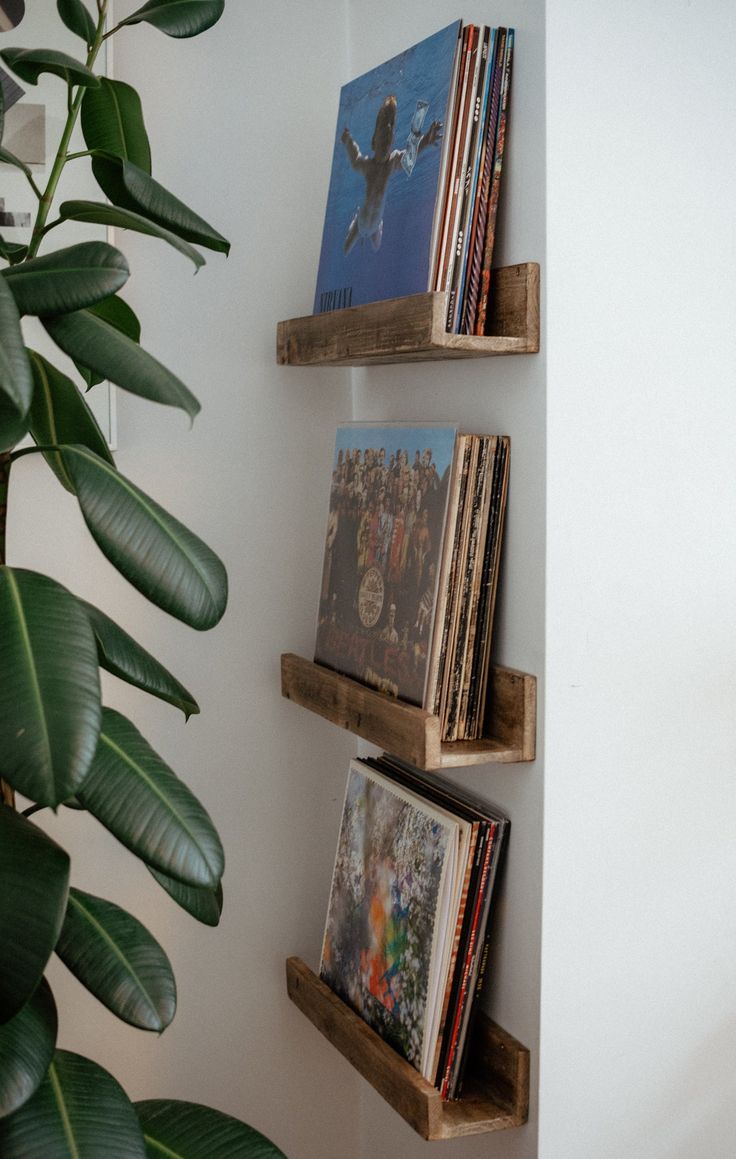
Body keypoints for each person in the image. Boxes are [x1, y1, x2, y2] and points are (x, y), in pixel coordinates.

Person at [340, 95, 442, 254]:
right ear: (373, 142)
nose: (388, 129)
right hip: (360, 225)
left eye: (391, 126)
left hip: (374, 227)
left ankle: (378, 225)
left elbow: (409, 156)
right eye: (383, 127)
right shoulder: (368, 166)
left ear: (393, 140)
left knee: (376, 248)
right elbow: (354, 157)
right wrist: (347, 140)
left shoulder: (393, 162)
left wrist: (426, 140)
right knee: (346, 248)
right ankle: (356, 220)